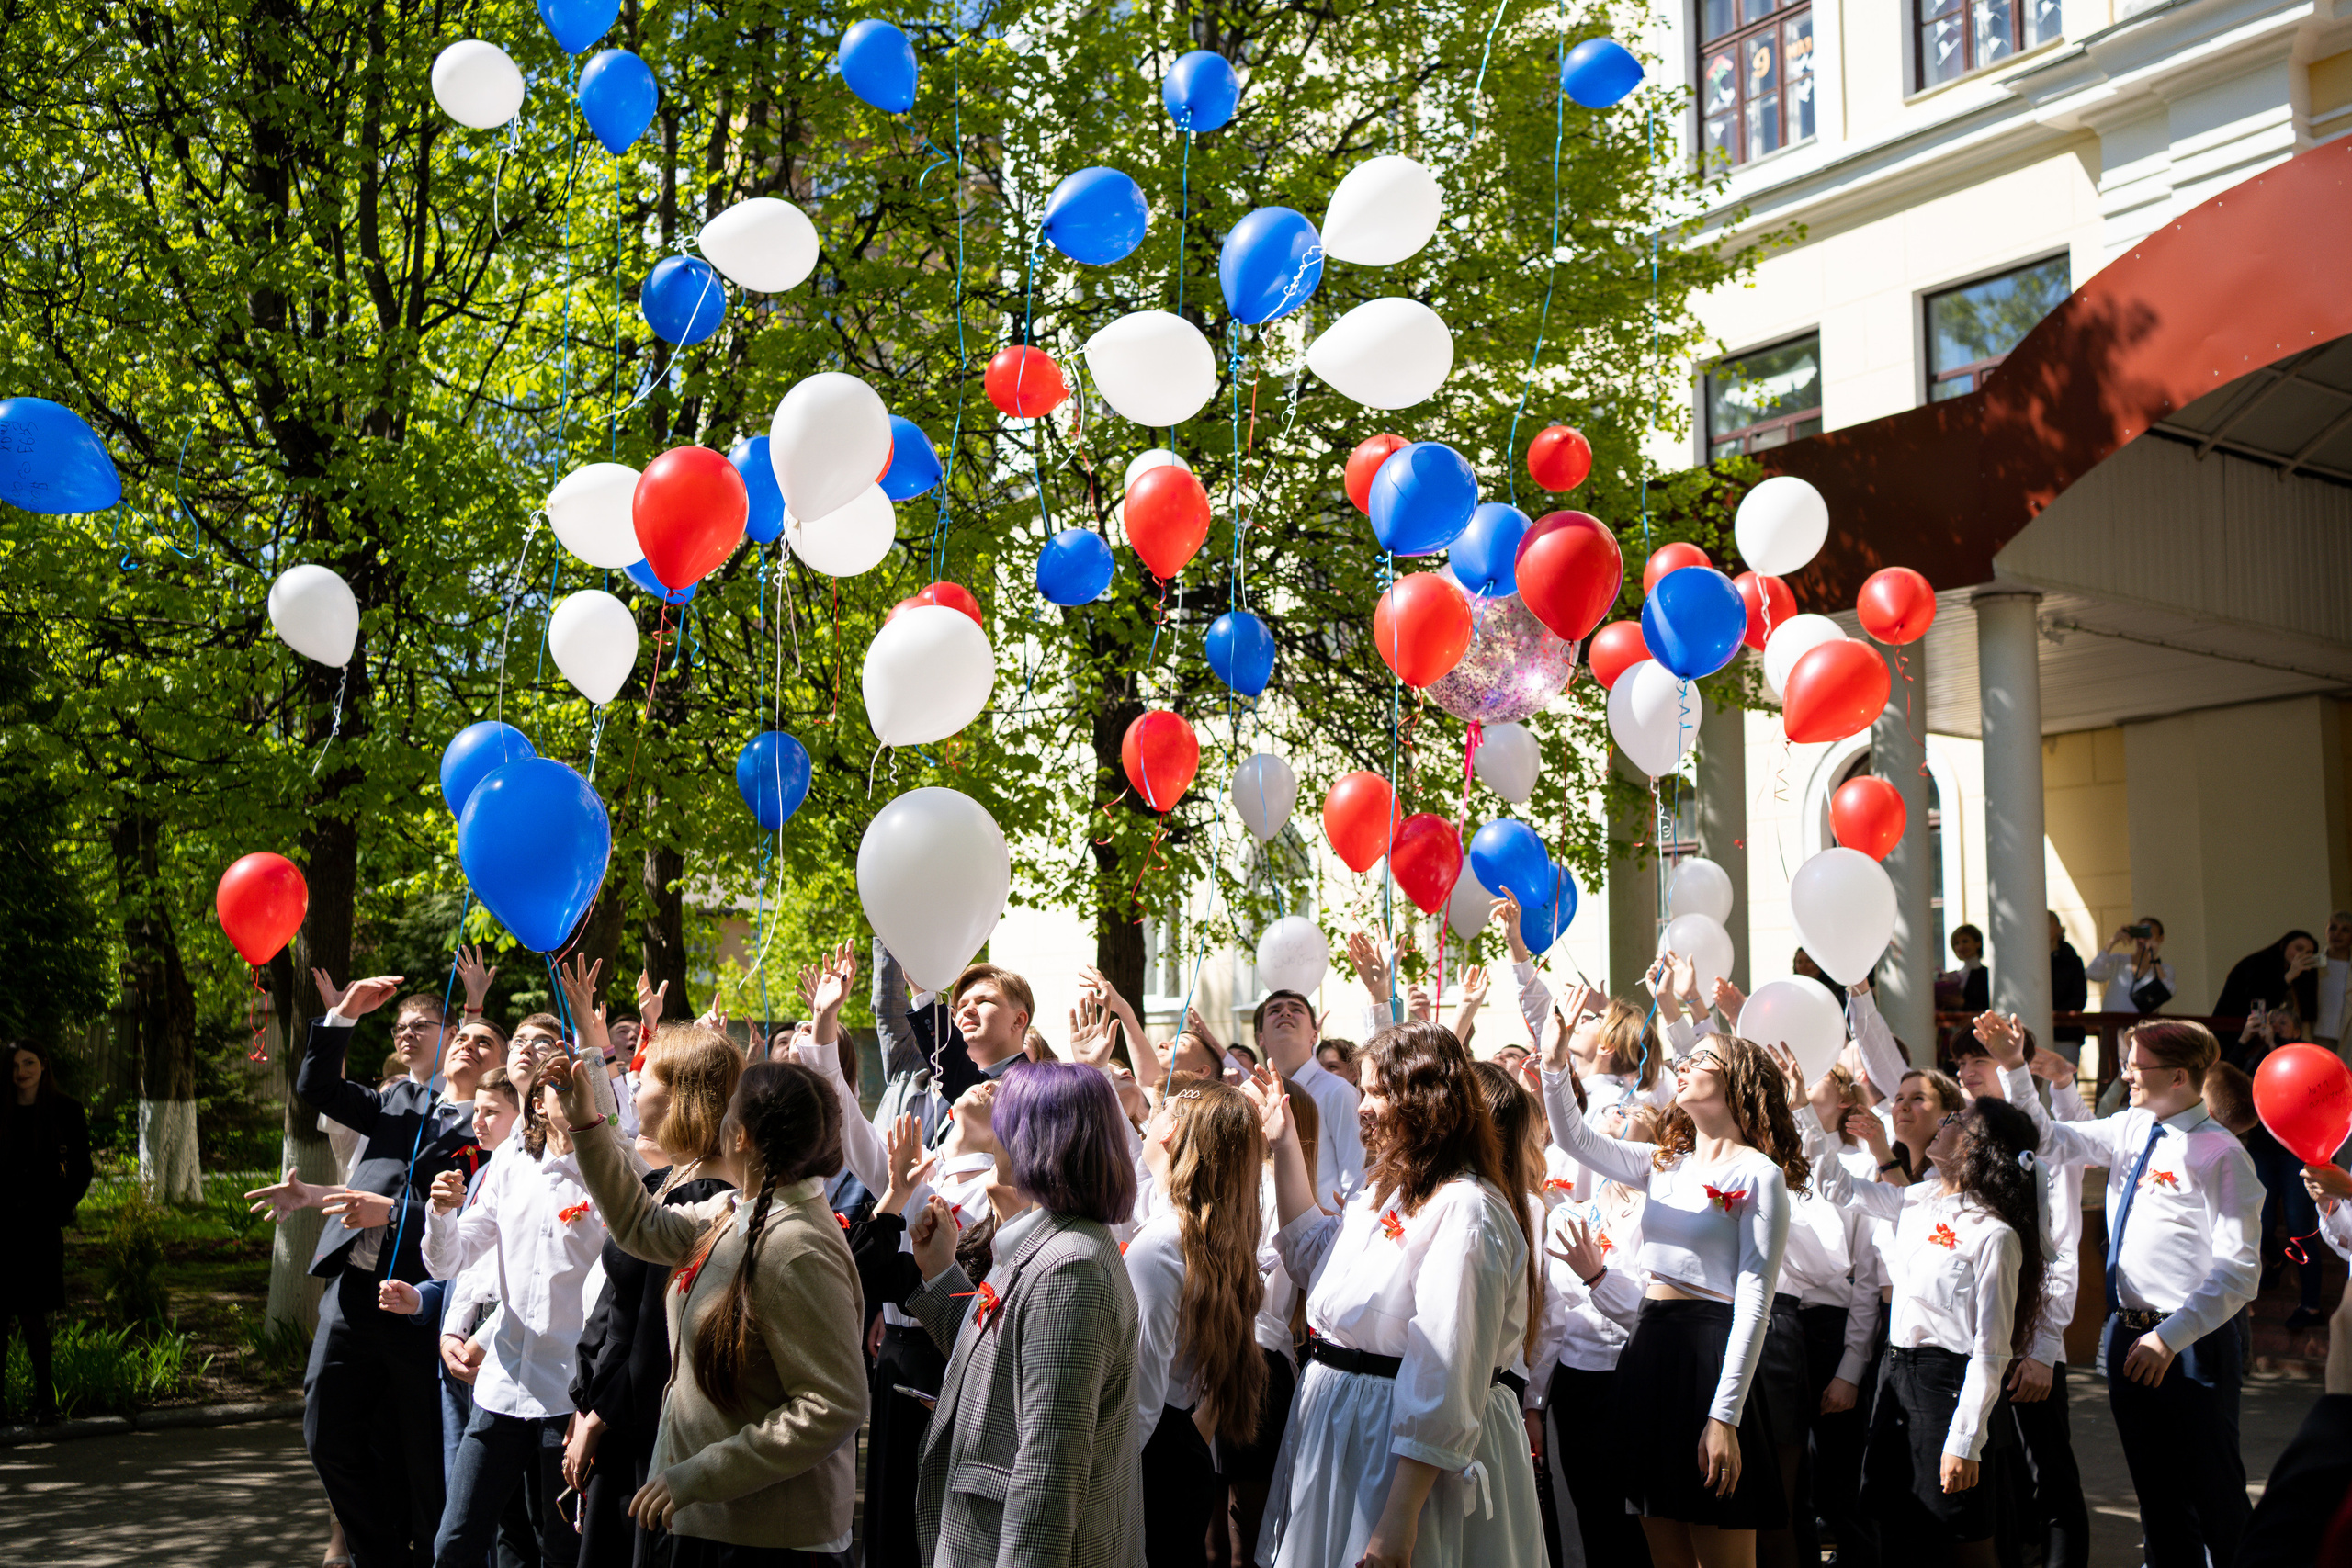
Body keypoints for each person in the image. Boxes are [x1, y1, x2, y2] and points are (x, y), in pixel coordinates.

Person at [543, 1027, 868, 1568]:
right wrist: (586, 1125)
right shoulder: (736, 1210)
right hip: (710, 1520)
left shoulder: (796, 1244)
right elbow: (640, 1225)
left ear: (740, 1136)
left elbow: (833, 1404)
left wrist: (701, 1474)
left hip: (767, 1542)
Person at [1254, 1021, 1544, 1568]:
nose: (1362, 1106)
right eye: (1362, 1090)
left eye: (1378, 1092)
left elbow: (1447, 1366)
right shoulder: (1380, 1190)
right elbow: (1313, 1259)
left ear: (1423, 1098)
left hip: (1400, 1457)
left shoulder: (1464, 1209)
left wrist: (1397, 1522)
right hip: (1347, 1431)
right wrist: (1284, 1142)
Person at [1978, 1017, 2261, 1568]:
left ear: (2179, 1076)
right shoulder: (2133, 1125)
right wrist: (2014, 1068)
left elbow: (2238, 1271)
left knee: (2215, 1496)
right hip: (2126, 1334)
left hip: (2190, 1342)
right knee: (2156, 1498)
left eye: (2137, 1064)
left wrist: (2170, 1338)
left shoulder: (2220, 1153)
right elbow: (2052, 1140)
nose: (2126, 1072)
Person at [1537, 1004, 1808, 1566]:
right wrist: (1554, 1065)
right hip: (1650, 1348)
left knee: (1722, 1548)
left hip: (1710, 1353)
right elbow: (1576, 1140)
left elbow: (1755, 1302)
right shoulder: (1663, 1162)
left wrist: (1724, 1415)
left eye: (1700, 1057)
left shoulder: (1759, 1174)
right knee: (1666, 1552)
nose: (1682, 1066)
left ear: (1735, 1082)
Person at [283, 971, 488, 1568]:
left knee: (420, 1457)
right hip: (352, 1292)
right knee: (327, 1433)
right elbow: (317, 1085)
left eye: (420, 1024)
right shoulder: (401, 1097)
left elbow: (483, 1217)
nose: (406, 1033)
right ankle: (375, 1555)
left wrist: (396, 1211)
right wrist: (343, 1012)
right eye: (398, 1026)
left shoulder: (496, 1126)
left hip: (418, 1301)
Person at [903, 1060, 1142, 1567]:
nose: (993, 1138)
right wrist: (941, 1272)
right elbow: (996, 1355)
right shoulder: (1046, 1241)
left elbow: (1049, 1475)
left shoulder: (1069, 1267)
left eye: (1004, 1124)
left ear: (1036, 1139)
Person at [1804, 1077, 2042, 1568]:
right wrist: (1801, 1110)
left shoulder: (1994, 1233)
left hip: (1948, 1391)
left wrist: (1965, 1441)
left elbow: (1991, 1351)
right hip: (1896, 1381)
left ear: (1978, 1147)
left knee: (1959, 1540)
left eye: (1957, 1120)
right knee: (1895, 1530)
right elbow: (1836, 1186)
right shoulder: (1918, 1199)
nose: (1944, 1123)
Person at [564, 1021, 743, 1568]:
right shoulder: (668, 1180)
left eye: (645, 1074)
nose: (634, 1082)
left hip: (645, 1432)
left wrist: (598, 1419)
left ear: (681, 1095)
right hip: (618, 1416)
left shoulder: (708, 1198)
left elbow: (653, 1337)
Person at [420, 1062, 609, 1568]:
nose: (571, 1097)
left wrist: (591, 1405)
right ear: (538, 1103)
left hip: (566, 1394)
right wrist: (441, 1215)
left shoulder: (610, 1171)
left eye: (581, 1087)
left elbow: (612, 1296)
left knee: (561, 1549)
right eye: (559, 1088)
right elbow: (453, 1259)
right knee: (455, 1540)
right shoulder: (509, 1160)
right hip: (501, 1385)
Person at [1125, 1079, 1268, 1567]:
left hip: (1150, 1463)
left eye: (1158, 1110)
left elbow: (1141, 1390)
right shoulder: (1203, 1233)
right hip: (1178, 1452)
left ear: (1173, 1132)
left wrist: (1114, 1485)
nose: (1147, 1119)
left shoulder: (1164, 1242)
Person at [1, 1040, 92, 1427]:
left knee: (32, 1316)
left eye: (29, 1062)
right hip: (1, 1228)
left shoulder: (66, 1110)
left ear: (43, 1065)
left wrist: (57, 1209)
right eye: (15, 1065)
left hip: (39, 1229)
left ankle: (45, 1403)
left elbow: (82, 1169)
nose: (22, 1071)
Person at [1253, 987, 1365, 1208]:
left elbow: (1355, 1181)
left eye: (1296, 1009)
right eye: (1274, 1010)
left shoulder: (1338, 1091)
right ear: (1261, 1038)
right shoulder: (1251, 1094)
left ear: (1314, 1034)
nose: (1285, 1013)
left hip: (1323, 1236)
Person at [2213, 928, 2323, 1029]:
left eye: (2308, 953)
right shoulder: (2260, 963)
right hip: (2233, 1029)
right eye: (2299, 948)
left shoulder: (2299, 973)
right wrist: (2288, 978)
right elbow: (2258, 1006)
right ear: (2283, 945)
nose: (2302, 955)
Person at [2086, 919, 2175, 1016]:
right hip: (2112, 1027)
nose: (2142, 939)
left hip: (2141, 1028)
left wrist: (2153, 958)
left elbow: (2169, 991)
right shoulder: (2119, 961)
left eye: (2148, 934)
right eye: (2139, 933)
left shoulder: (2165, 969)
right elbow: (2091, 974)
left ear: (2160, 938)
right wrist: (2112, 941)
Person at [2048, 914, 2088, 1055]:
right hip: (2035, 1031)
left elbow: (2079, 999)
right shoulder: (2027, 960)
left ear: (2060, 928)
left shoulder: (2072, 960)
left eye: (2048, 922)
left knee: (2066, 1075)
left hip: (2066, 1033)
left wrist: (2052, 1013)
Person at [2316, 910, 2352, 1055]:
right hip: (2317, 1035)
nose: (2337, 934)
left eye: (2345, 930)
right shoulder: (2312, 964)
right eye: (2333, 928)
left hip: (2346, 1037)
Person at [1936, 926, 1990, 1016]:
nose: (1960, 947)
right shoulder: (1953, 975)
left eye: (1965, 941)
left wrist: (1964, 1004)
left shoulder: (1986, 974)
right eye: (1956, 943)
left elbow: (1987, 1005)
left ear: (1978, 943)